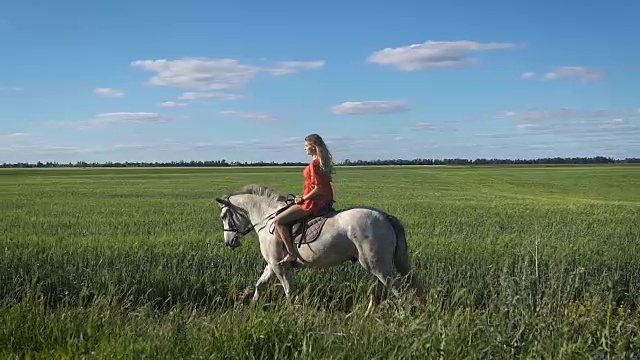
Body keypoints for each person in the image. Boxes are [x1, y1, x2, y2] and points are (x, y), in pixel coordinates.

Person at [273, 133, 335, 264]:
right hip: (320, 200)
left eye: (306, 145)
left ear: (313, 146)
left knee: (278, 220)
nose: (305, 148)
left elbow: (318, 189)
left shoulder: (314, 164)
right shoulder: (321, 161)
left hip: (313, 203)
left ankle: (291, 253)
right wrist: (302, 195)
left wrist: (303, 199)